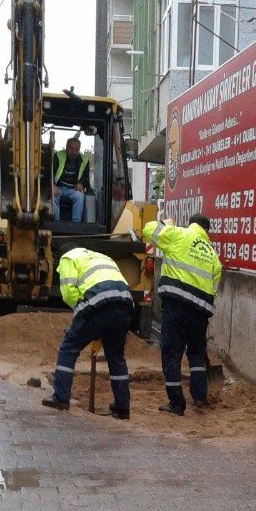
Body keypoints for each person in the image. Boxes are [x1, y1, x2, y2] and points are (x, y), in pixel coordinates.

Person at [142, 213, 222, 416]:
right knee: (196, 353)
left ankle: (177, 403)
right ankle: (199, 397)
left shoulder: (177, 235)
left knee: (171, 354)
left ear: (191, 225)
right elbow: (214, 288)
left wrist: (166, 224)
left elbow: (148, 229)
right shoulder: (213, 255)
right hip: (200, 314)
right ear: (206, 231)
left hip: (176, 307)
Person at [42, 244, 133, 418]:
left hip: (98, 301)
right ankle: (122, 408)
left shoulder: (68, 258)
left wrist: (82, 321)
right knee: (116, 357)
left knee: (69, 347)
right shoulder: (101, 256)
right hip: (125, 302)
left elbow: (69, 293)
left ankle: (61, 397)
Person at [53, 137, 91, 222]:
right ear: (66, 147)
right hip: (58, 187)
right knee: (52, 196)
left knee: (80, 196)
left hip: (73, 189)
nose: (73, 152)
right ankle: (56, 223)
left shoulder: (85, 160)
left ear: (79, 149)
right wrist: (53, 185)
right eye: (71, 149)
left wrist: (81, 183)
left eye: (76, 149)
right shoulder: (58, 156)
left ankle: (75, 224)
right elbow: (50, 172)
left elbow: (86, 177)